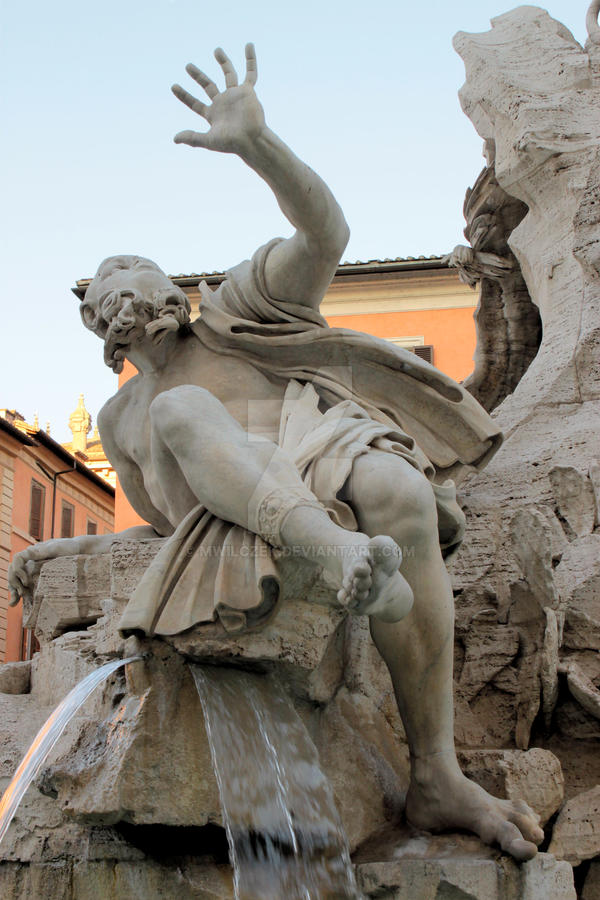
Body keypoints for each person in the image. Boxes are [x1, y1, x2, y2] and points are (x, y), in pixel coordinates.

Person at [8, 45, 544, 860]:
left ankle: (435, 773)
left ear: (168, 288)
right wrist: (64, 546)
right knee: (185, 408)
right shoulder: (122, 421)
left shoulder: (238, 310)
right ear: (102, 335)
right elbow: (163, 531)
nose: (116, 286)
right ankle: (338, 554)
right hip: (239, 519)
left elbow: (324, 231)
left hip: (314, 443)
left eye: (132, 268)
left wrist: (257, 144)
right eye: (100, 293)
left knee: (399, 493)